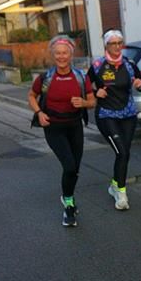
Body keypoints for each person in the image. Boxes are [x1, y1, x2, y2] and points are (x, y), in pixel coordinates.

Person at [28, 35, 94, 227]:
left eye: (65, 53)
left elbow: (92, 101)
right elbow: (32, 96)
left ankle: (68, 197)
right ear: (53, 55)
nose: (61, 56)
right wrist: (39, 112)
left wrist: (84, 103)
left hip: (75, 126)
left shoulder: (81, 77)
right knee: (69, 166)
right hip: (54, 127)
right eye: (57, 53)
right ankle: (68, 204)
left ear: (71, 55)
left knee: (75, 169)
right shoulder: (45, 78)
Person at [87, 29, 141, 210]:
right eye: (113, 43)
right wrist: (96, 91)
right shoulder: (98, 65)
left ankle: (115, 185)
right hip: (107, 114)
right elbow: (84, 86)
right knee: (122, 152)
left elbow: (140, 84)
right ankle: (121, 193)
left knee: (124, 153)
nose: (117, 47)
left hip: (128, 114)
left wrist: (139, 85)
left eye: (120, 43)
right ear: (106, 45)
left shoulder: (129, 64)